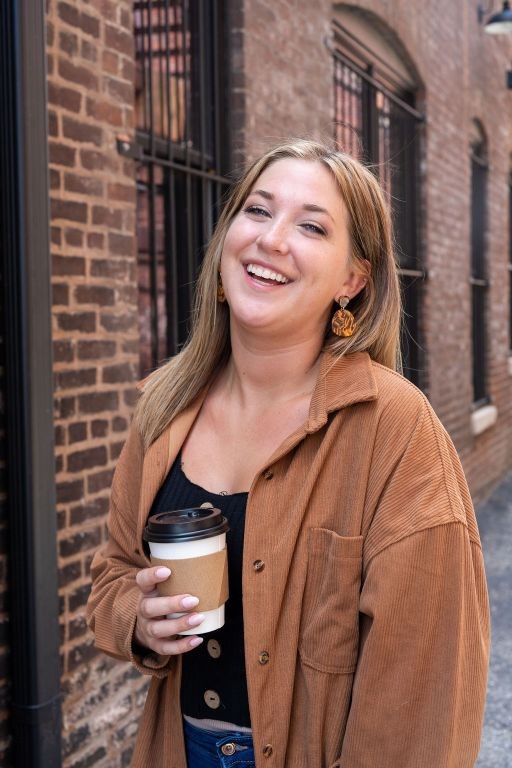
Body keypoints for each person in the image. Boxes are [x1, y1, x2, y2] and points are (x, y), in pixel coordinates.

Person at [86, 139, 490, 768]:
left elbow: (421, 691)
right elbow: (113, 572)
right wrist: (139, 618)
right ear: (226, 237)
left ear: (352, 279)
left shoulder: (395, 430)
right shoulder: (162, 406)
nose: (272, 240)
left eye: (310, 226)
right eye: (257, 211)